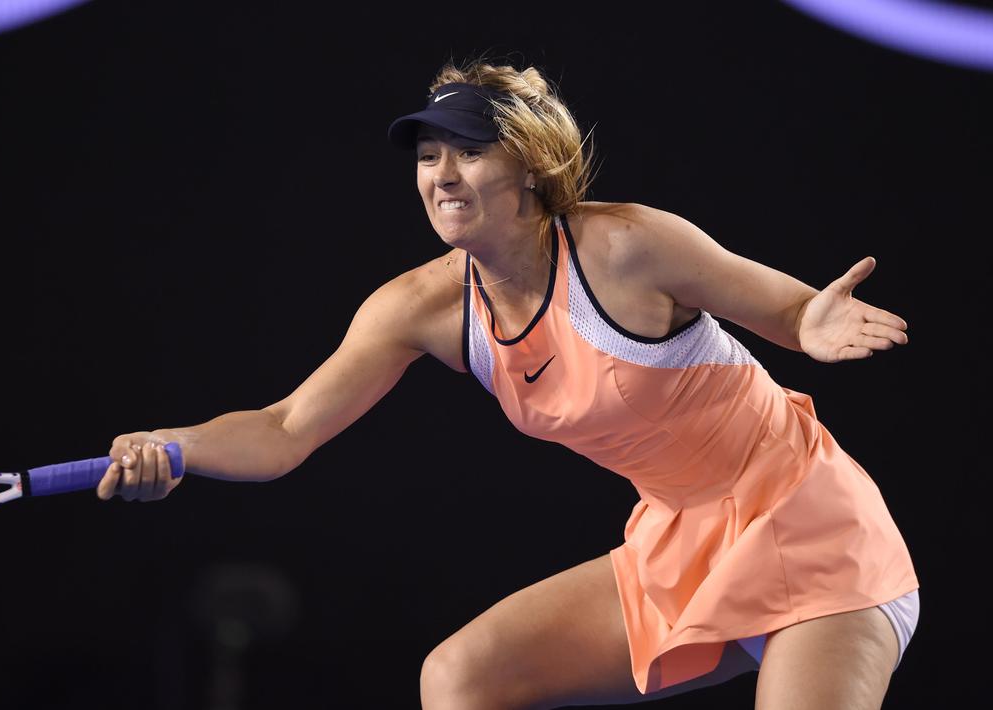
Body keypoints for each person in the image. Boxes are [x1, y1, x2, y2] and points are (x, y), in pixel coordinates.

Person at [95, 59, 921, 709]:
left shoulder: (624, 247)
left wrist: (810, 322)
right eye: (427, 156)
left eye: (468, 150)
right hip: (680, 548)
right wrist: (172, 446)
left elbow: (788, 310)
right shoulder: (417, 306)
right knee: (458, 677)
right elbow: (283, 430)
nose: (441, 174)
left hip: (816, 532)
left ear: (528, 167)